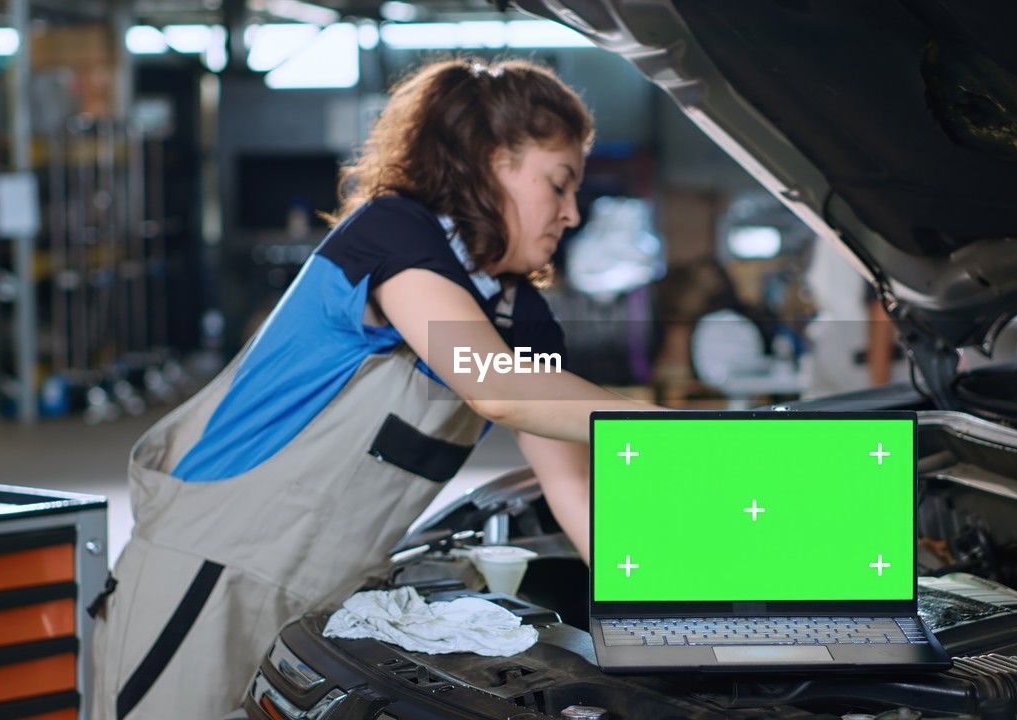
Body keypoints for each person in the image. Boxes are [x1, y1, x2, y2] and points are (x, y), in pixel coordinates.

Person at [90, 58, 656, 719]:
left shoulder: (521, 317)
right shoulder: (394, 236)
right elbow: (494, 386)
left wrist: (653, 610)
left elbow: (574, 489)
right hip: (215, 569)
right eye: (558, 185)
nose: (571, 212)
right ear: (494, 160)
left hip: (330, 601)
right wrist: (671, 424)